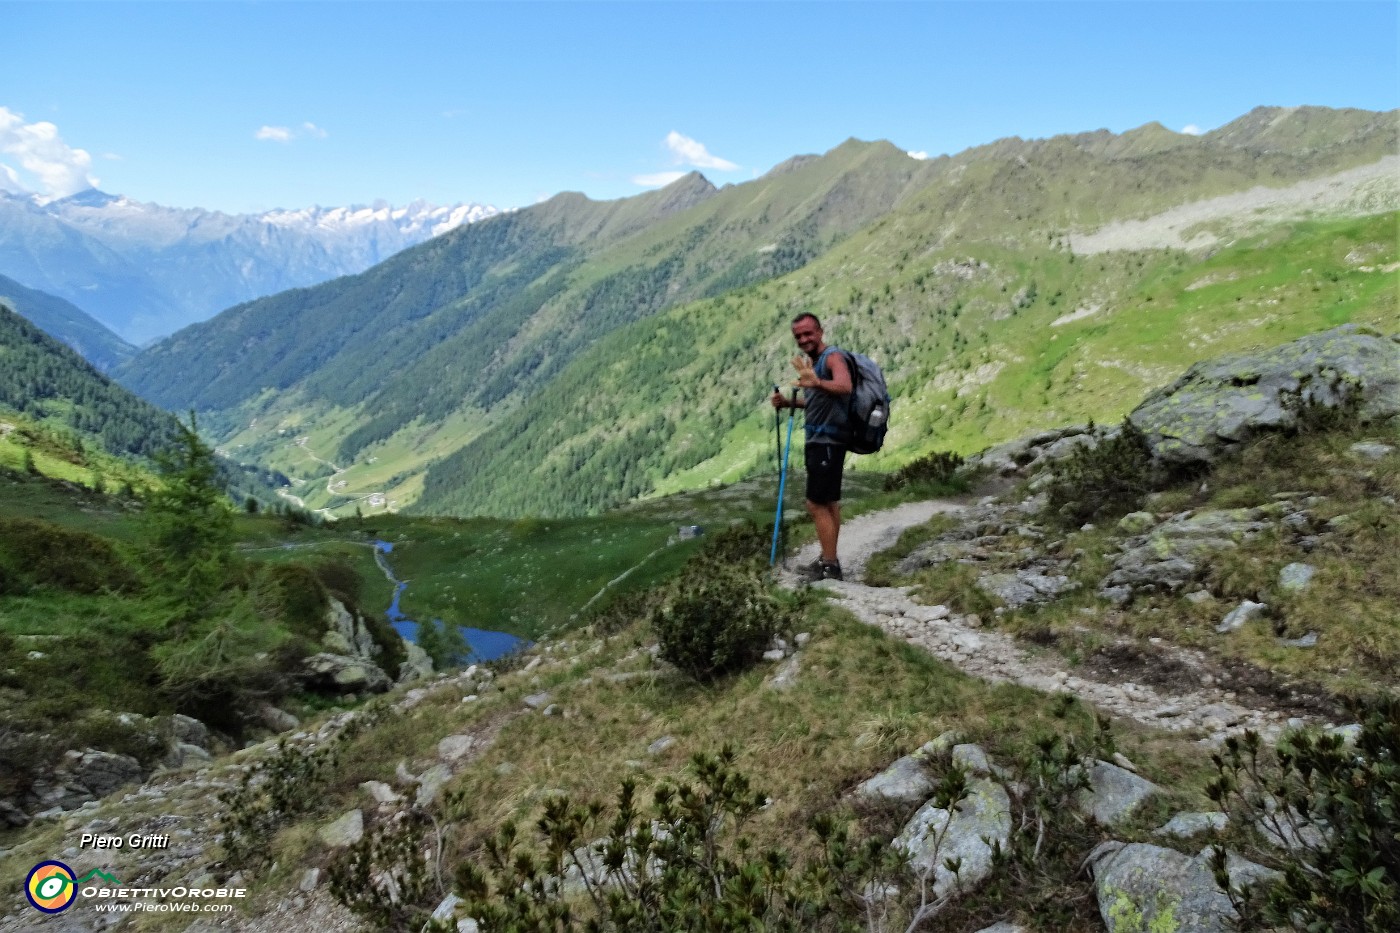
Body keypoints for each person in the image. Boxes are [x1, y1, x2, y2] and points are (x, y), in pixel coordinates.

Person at [771, 312, 852, 581]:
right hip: (824, 440)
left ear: (820, 331)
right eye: (799, 336)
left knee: (815, 504)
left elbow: (844, 386)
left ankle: (830, 565)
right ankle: (829, 558)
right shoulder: (814, 363)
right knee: (829, 502)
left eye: (808, 333)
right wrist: (788, 403)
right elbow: (818, 401)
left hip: (826, 441)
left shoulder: (832, 357)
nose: (804, 339)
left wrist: (816, 382)